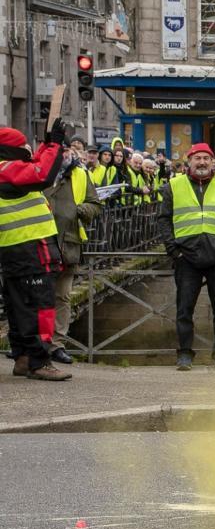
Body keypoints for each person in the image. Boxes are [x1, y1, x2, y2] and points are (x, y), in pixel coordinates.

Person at [157, 143, 215, 371]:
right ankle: (185, 354)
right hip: (186, 257)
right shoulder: (174, 186)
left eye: (206, 158)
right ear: (189, 161)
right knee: (184, 309)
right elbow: (164, 219)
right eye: (198, 158)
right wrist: (174, 251)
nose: (202, 162)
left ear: (213, 162)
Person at [0, 121, 72, 381]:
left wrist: (47, 143)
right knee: (40, 307)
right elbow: (42, 173)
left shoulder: (9, 168)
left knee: (19, 308)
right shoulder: (7, 169)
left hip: (15, 250)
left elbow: (35, 164)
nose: (28, 149)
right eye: (23, 146)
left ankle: (23, 358)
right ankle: (39, 362)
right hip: (30, 249)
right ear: (11, 151)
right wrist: (55, 144)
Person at [44, 137, 101, 365]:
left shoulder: (80, 174)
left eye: (66, 149)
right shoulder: (40, 173)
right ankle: (35, 343)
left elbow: (96, 204)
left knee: (63, 296)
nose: (64, 153)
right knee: (36, 297)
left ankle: (57, 344)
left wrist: (80, 210)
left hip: (68, 243)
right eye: (59, 149)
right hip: (41, 243)